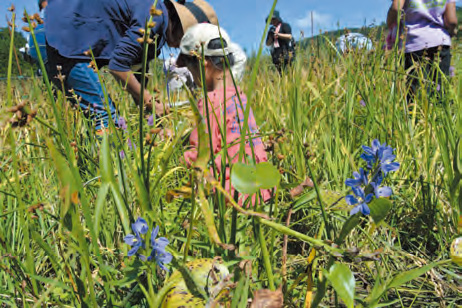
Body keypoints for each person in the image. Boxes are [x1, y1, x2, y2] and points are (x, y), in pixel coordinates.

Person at [44, 0, 217, 133]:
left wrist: (155, 123)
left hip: (59, 38)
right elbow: (118, 66)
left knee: (103, 117)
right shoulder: (155, 17)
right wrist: (150, 101)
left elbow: (136, 80)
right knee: (106, 119)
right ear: (181, 25)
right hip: (64, 42)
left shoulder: (155, 35)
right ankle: (109, 177)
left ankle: (98, 169)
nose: (181, 47)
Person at [178, 23, 271, 204]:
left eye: (191, 69)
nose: (192, 76)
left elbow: (201, 155)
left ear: (202, 63)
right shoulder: (240, 98)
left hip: (235, 195)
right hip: (264, 188)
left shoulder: (210, 102)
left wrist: (176, 157)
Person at [387, 0, 458, 100]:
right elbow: (452, 21)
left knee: (415, 92)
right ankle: (440, 113)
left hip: (414, 42)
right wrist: (451, 31)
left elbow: (396, 8)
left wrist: (389, 23)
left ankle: (417, 114)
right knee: (441, 89)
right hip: (440, 40)